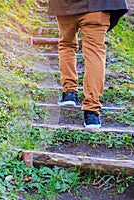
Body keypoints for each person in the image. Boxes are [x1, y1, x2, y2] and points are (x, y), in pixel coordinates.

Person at [47, 0, 128, 129]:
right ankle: (92, 112)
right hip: (98, 6)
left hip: (65, 6)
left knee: (67, 45)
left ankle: (69, 92)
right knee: (95, 53)